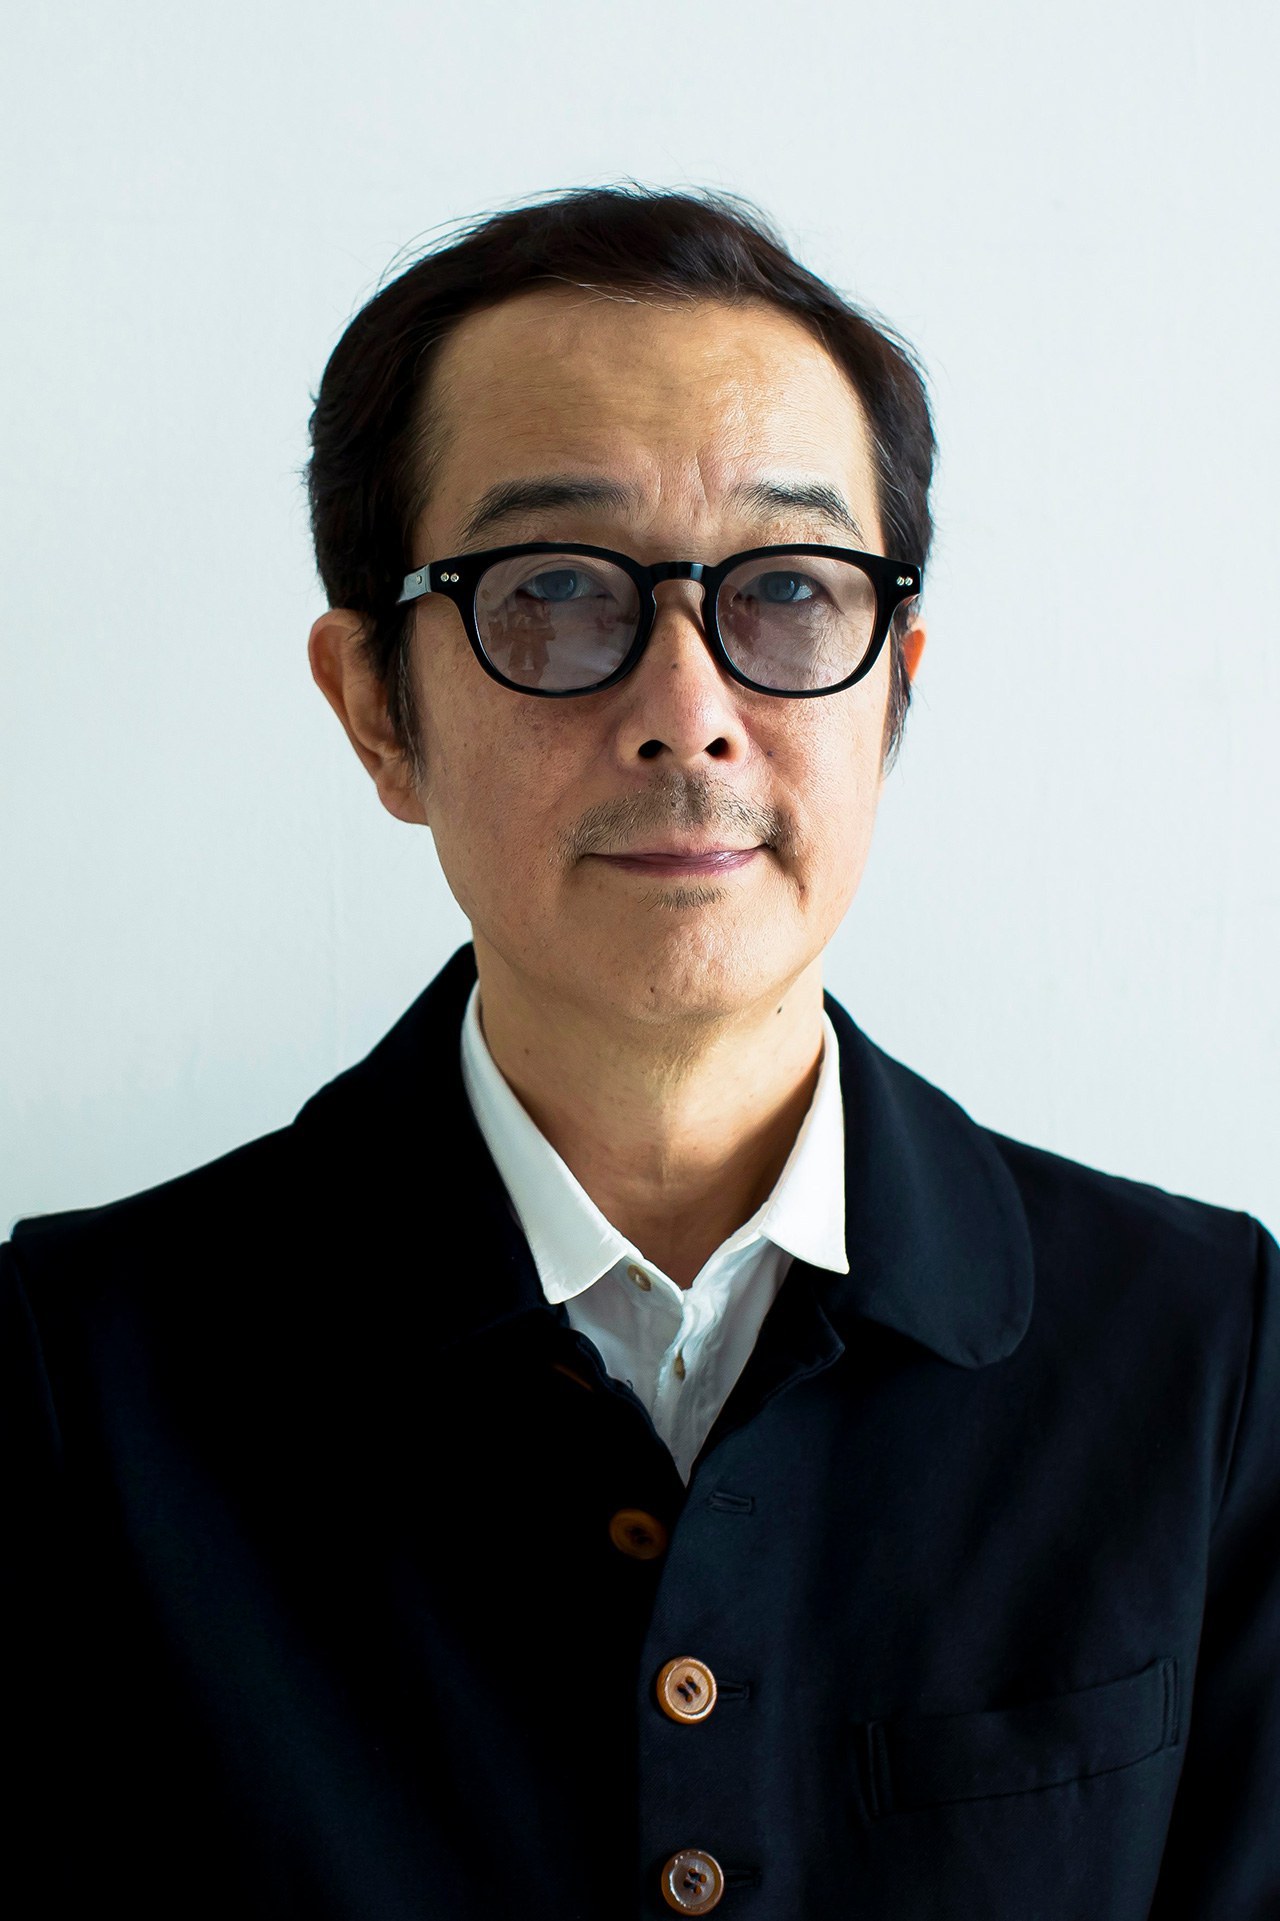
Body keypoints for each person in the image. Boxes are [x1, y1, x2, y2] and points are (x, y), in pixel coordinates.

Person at [3, 184, 1276, 1921]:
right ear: (376, 707)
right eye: (551, 590)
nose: (688, 711)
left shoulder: (1210, 1357)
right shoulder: (74, 1381)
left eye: (790, 589)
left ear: (895, 688)